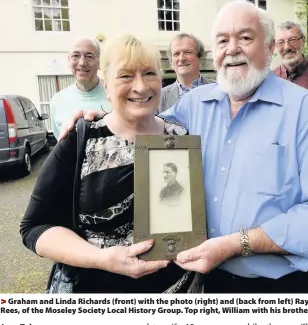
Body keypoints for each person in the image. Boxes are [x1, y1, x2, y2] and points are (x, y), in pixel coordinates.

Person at [159, 1, 308, 293]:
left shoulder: (304, 109)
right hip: (211, 282)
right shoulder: (193, 105)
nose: (232, 48)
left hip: (282, 287)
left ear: (270, 46)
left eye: (245, 38)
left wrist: (235, 245)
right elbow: (141, 131)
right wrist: (99, 119)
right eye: (222, 40)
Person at [20, 34, 200, 293]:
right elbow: (34, 228)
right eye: (125, 76)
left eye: (149, 73)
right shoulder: (81, 140)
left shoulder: (181, 136)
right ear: (105, 84)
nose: (141, 87)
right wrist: (101, 258)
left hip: (177, 290)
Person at [49, 37, 107, 141]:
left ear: (100, 62)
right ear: (69, 60)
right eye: (75, 56)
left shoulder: (116, 95)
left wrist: (144, 157)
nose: (82, 63)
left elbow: (141, 136)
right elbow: (61, 144)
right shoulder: (57, 101)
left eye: (89, 56)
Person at [158, 33, 213, 112]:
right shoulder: (159, 97)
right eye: (176, 54)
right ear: (171, 61)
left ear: (200, 58)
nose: (181, 58)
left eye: (188, 52)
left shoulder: (219, 90)